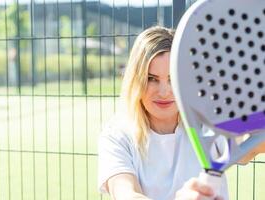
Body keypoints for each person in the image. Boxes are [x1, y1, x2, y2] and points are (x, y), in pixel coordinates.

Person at [97, 26, 229, 200]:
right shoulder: (117, 135)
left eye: (172, 78)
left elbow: (251, 145)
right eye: (151, 79)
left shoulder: (209, 120)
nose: (164, 91)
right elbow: (125, 193)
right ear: (136, 80)